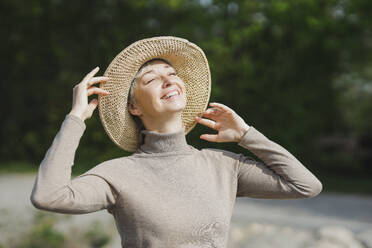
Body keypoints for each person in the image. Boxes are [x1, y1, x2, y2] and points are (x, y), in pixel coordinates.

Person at [30, 36, 322, 247]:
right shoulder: (116, 175)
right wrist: (76, 118)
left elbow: (305, 186)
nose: (169, 80)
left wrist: (247, 135)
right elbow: (48, 196)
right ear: (134, 107)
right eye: (151, 79)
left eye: (171, 73)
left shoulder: (222, 166)